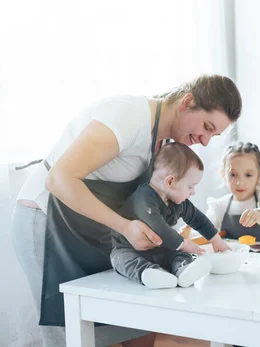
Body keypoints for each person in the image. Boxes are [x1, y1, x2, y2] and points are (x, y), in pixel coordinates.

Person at [10, 75, 242, 346]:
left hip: (89, 230)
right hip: (46, 222)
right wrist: (124, 226)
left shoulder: (165, 140)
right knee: (68, 329)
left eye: (213, 135)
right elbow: (59, 179)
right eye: (207, 126)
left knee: (124, 324)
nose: (205, 141)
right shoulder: (127, 117)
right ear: (187, 102)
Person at [111, 143, 222, 289]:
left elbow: (197, 218)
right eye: (190, 186)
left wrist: (216, 240)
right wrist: (183, 243)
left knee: (179, 254)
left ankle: (183, 269)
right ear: (170, 182)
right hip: (128, 248)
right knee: (120, 260)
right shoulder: (144, 198)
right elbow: (157, 226)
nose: (193, 192)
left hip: (158, 249)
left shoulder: (178, 201)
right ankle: (149, 273)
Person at [204, 142, 260, 243]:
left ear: (259, 175)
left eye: (248, 175)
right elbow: (204, 230)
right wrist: (189, 233)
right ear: (223, 175)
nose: (240, 183)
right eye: (233, 174)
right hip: (231, 258)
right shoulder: (219, 206)